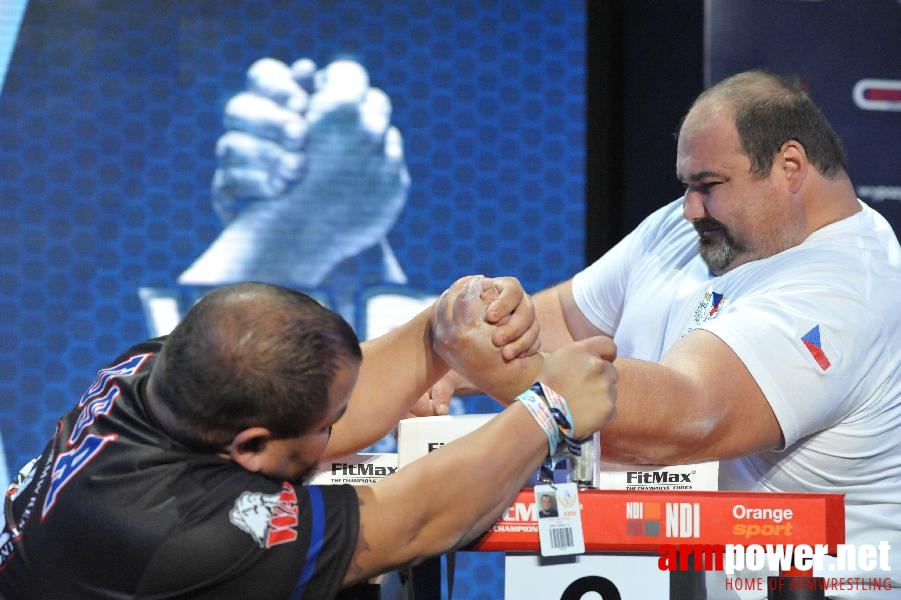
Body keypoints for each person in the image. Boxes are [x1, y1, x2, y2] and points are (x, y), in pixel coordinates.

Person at [427, 70, 901, 598]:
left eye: (708, 186)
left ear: (790, 166)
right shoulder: (695, 227)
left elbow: (686, 417)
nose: (690, 208)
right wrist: (447, 367)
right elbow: (567, 317)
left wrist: (507, 373)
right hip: (679, 578)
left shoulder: (847, 290)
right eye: (687, 186)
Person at [0, 275, 618, 599]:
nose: (340, 433)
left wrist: (443, 328)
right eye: (326, 429)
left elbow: (342, 398)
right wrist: (549, 409)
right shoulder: (185, 533)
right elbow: (412, 522)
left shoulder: (162, 373)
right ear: (250, 446)